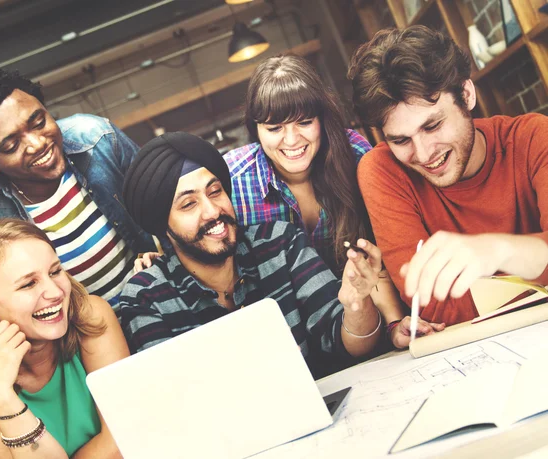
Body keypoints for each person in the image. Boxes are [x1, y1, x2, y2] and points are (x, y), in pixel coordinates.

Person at [121, 132, 396, 379]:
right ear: (163, 227)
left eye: (215, 192)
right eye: (189, 204)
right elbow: (175, 404)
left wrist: (357, 303)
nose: (213, 211)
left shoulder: (280, 243)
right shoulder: (147, 297)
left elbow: (351, 344)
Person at [223, 54, 443, 346]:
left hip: (368, 321)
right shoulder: (233, 182)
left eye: (303, 122)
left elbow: (374, 253)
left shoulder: (355, 154)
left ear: (321, 119)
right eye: (274, 128)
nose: (291, 140)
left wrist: (393, 324)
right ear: (255, 129)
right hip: (287, 340)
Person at [349, 25, 548, 326]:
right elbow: (432, 306)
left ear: (466, 95)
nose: (424, 153)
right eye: (401, 140)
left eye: (433, 126)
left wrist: (497, 250)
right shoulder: (382, 169)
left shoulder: (533, 137)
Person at [0, 68, 157, 312]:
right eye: (12, 145)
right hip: (76, 335)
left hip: (152, 299)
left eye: (39, 123)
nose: (37, 144)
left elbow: (165, 208)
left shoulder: (97, 138)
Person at [0, 219, 128, 457]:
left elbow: (124, 436)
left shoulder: (92, 316)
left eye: (55, 271)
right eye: (28, 284)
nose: (56, 293)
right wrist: (0, 397)